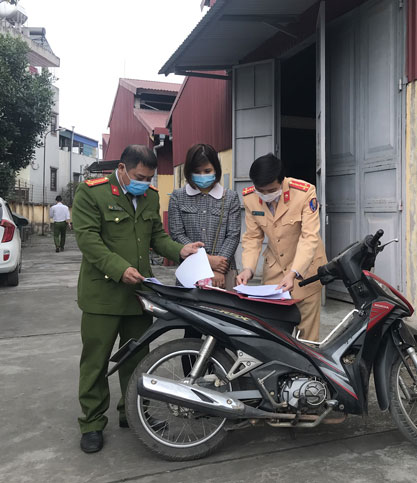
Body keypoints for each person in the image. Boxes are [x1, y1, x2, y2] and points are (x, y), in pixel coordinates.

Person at [72, 144, 203, 454]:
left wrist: (180, 250)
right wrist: (119, 269)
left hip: (139, 295)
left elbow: (157, 237)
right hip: (102, 296)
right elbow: (88, 240)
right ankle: (92, 423)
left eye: (149, 178)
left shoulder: (150, 196)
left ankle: (131, 413)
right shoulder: (91, 192)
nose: (144, 183)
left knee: (137, 359)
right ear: (122, 169)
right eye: (139, 177)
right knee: (96, 362)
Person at [236, 153, 327, 341]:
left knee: (307, 336)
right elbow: (253, 237)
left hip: (306, 271)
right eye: (261, 190)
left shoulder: (304, 193)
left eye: (271, 190)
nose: (266, 195)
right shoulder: (250, 197)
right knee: (273, 333)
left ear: (282, 180)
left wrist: (294, 272)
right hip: (275, 270)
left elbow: (309, 237)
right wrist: (248, 268)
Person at [168, 143, 241, 290]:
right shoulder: (178, 197)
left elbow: (233, 235)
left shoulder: (230, 197)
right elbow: (177, 234)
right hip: (190, 272)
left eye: (207, 171)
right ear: (189, 171)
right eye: (197, 171)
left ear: (216, 169)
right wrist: (206, 261)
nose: (202, 175)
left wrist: (219, 267)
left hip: (223, 273)